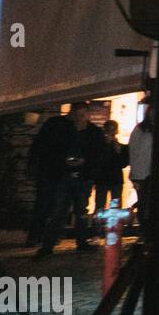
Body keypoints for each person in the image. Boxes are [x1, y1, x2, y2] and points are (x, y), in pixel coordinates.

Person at [29, 102, 105, 257]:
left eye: (83, 115)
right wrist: (63, 161)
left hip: (82, 177)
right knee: (59, 211)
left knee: (80, 211)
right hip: (64, 175)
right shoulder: (64, 129)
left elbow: (99, 154)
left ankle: (80, 241)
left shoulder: (93, 133)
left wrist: (86, 164)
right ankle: (48, 244)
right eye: (78, 114)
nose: (80, 118)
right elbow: (49, 148)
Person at [92, 120, 130, 214]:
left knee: (113, 206)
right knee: (101, 205)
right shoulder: (99, 146)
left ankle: (108, 226)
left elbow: (124, 163)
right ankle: (100, 226)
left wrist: (118, 151)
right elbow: (97, 160)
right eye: (108, 130)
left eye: (112, 130)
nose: (110, 133)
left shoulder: (121, 147)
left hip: (113, 179)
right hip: (105, 179)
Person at [127, 102, 153, 225]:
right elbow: (133, 152)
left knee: (154, 203)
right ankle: (144, 231)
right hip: (141, 173)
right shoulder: (139, 130)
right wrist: (134, 175)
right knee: (143, 203)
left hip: (157, 173)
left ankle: (151, 231)